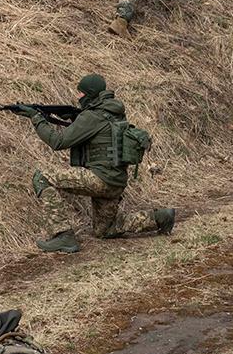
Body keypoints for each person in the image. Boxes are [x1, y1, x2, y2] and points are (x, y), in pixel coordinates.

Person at [12, 74, 174, 253]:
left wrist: (36, 117)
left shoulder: (92, 116)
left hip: (99, 179)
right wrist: (75, 118)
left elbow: (57, 141)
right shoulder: (113, 112)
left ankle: (63, 236)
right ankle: (160, 217)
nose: (78, 97)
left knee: (42, 177)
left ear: (89, 94)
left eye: (80, 93)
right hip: (116, 181)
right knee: (105, 230)